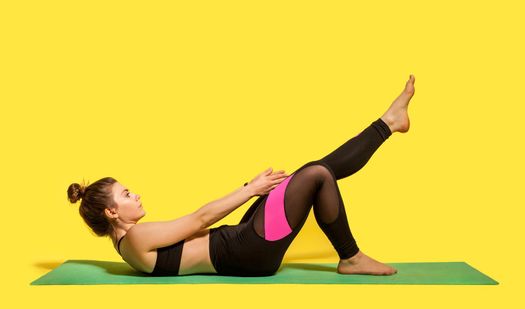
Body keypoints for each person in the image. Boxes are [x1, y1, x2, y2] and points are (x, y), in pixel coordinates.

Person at [67, 74, 415, 277]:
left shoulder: (125, 243)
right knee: (317, 174)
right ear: (111, 212)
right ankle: (351, 256)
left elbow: (201, 229)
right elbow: (200, 218)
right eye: (126, 195)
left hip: (241, 242)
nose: (136, 195)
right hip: (248, 252)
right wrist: (250, 189)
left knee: (307, 174)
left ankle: (388, 122)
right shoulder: (136, 239)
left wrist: (257, 193)